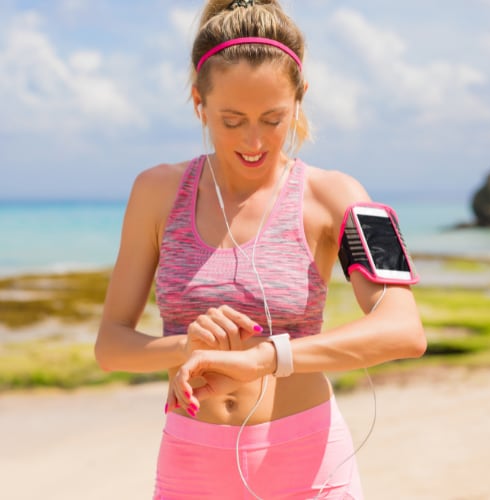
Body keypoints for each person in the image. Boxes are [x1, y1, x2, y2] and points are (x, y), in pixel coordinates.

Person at [95, 0, 427, 498]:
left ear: (300, 99)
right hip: (192, 465)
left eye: (273, 119)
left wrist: (270, 357)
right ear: (198, 103)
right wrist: (187, 346)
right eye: (231, 120)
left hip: (310, 463)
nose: (254, 141)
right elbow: (110, 344)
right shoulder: (156, 192)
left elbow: (404, 330)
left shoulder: (340, 196)